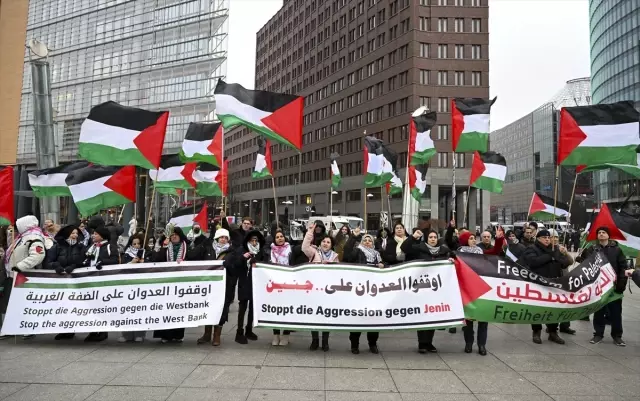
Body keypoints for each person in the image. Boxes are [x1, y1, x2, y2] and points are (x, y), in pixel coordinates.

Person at [401, 228, 453, 353]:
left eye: (435, 237)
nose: (433, 239)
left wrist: (451, 260)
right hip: (422, 288)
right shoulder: (419, 248)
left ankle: (429, 342)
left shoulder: (443, 251)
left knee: (433, 315)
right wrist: (413, 237)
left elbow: (453, 256)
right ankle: (422, 343)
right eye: (430, 237)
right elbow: (405, 248)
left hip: (436, 290)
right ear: (426, 239)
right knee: (423, 315)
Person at [576, 227, 628, 346]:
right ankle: (598, 334)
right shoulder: (592, 249)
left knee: (615, 313)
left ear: (608, 235)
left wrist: (621, 284)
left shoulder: (617, 250)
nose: (601, 234)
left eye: (603, 232)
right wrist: (579, 258)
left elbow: (623, 267)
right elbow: (585, 264)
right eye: (599, 233)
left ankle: (617, 336)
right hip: (598, 287)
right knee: (599, 312)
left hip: (613, 288)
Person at [2, 216, 51, 340]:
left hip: (23, 275)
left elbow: (38, 255)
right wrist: (10, 234)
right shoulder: (22, 237)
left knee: (24, 303)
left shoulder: (34, 237)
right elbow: (13, 250)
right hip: (13, 275)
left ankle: (28, 328)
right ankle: (11, 327)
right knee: (11, 303)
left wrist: (20, 267)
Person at [457, 229, 504, 355]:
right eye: (471, 238)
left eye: (474, 238)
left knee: (483, 318)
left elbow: (495, 251)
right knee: (469, 320)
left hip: (481, 288)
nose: (474, 240)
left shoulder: (480, 252)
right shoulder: (459, 253)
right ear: (464, 240)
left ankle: (482, 345)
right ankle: (468, 343)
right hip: (467, 290)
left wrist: (499, 239)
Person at [521, 229, 572, 345]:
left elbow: (565, 263)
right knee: (537, 309)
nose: (548, 240)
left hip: (554, 285)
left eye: (549, 238)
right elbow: (533, 262)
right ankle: (536, 332)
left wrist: (564, 253)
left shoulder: (554, 249)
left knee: (553, 309)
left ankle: (553, 332)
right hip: (538, 285)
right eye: (545, 238)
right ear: (538, 239)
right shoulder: (532, 249)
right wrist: (550, 256)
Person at [344, 227, 385, 354]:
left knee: (373, 318)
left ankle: (372, 343)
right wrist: (354, 237)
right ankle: (354, 344)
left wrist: (383, 265)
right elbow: (347, 255)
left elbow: (386, 267)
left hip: (374, 291)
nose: (367, 242)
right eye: (365, 240)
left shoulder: (377, 255)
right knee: (357, 318)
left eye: (370, 240)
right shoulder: (357, 251)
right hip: (359, 290)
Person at [192, 228, 236, 346]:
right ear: (217, 238)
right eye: (221, 237)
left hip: (224, 286)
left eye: (226, 238)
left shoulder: (231, 252)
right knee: (208, 307)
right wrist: (202, 244)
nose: (223, 239)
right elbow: (194, 256)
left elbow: (235, 270)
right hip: (208, 285)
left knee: (221, 309)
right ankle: (207, 334)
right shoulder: (208, 248)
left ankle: (217, 335)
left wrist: (228, 266)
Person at [302, 223, 339, 351]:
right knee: (314, 315)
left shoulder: (335, 257)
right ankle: (315, 340)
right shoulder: (314, 252)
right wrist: (310, 232)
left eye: (328, 242)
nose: (325, 243)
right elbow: (304, 247)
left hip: (328, 292)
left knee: (326, 316)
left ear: (331, 245)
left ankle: (325, 341)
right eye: (323, 241)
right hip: (314, 290)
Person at [152, 225, 190, 343]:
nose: (174, 237)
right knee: (165, 308)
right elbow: (157, 259)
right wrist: (164, 246)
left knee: (179, 309)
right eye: (172, 235)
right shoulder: (165, 247)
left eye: (176, 235)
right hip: (165, 283)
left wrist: (185, 262)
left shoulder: (186, 248)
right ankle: (165, 335)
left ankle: (178, 335)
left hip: (181, 283)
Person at [81, 226, 119, 342]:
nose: (93, 236)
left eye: (96, 234)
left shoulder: (109, 246)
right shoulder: (91, 247)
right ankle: (93, 330)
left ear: (102, 236)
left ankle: (103, 331)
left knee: (102, 307)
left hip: (103, 281)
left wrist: (103, 262)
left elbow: (115, 260)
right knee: (91, 306)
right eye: (93, 234)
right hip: (90, 281)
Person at [233, 230, 264, 344]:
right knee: (242, 307)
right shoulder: (242, 250)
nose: (254, 242)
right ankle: (239, 332)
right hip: (244, 282)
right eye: (252, 240)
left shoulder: (260, 251)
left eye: (256, 240)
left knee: (252, 308)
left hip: (255, 283)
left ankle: (249, 329)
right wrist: (243, 258)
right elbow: (235, 264)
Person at [549, 229, 576, 335]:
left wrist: (566, 253)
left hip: (564, 279)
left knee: (566, 304)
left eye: (556, 237)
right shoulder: (548, 250)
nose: (554, 239)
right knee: (554, 305)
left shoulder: (561, 248)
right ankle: (551, 327)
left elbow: (570, 261)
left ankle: (565, 326)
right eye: (552, 237)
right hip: (553, 280)